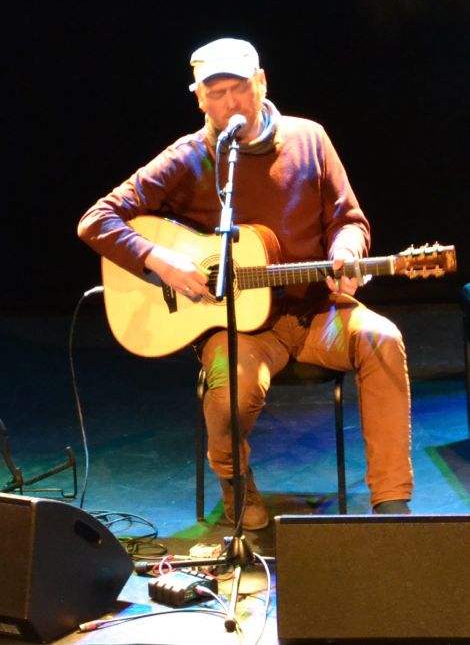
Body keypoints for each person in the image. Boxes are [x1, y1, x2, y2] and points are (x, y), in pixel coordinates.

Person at [78, 37, 413, 530]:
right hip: (242, 328)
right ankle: (236, 483)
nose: (230, 103)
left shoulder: (309, 139)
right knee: (230, 391)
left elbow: (349, 219)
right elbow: (96, 221)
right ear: (199, 99)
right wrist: (160, 260)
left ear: (262, 83)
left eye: (239, 88)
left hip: (320, 312)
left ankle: (392, 504)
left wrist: (346, 251)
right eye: (216, 94)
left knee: (383, 339)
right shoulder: (188, 158)